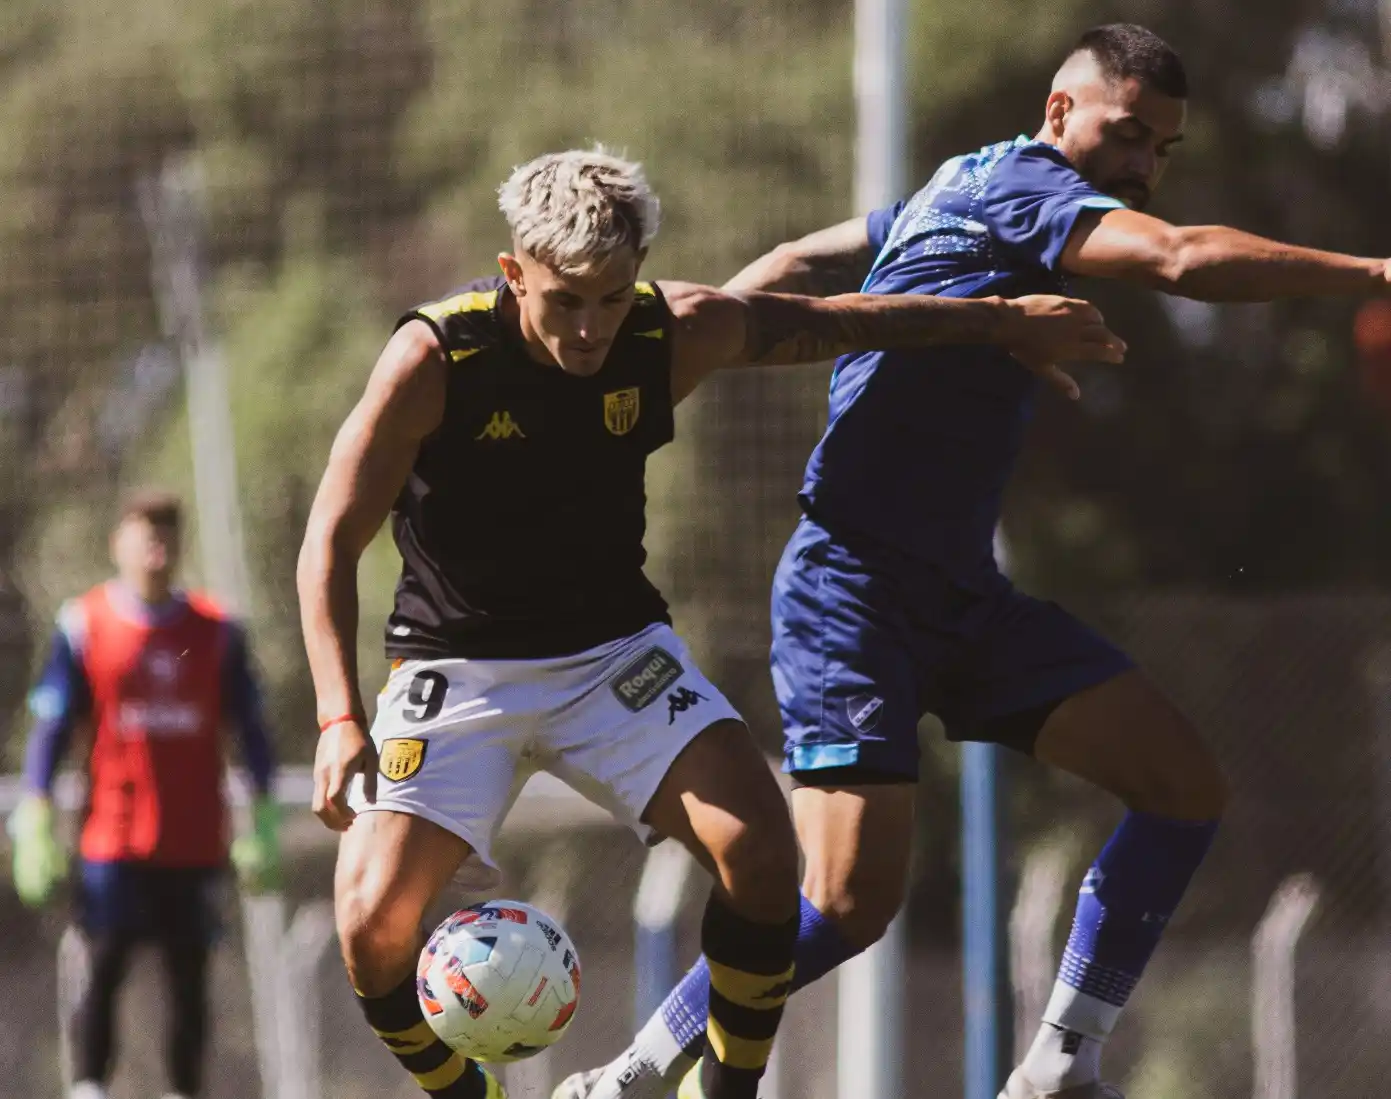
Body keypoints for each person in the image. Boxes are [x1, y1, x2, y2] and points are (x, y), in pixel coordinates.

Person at [560, 23, 1391, 1099]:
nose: (1143, 165)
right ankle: (633, 1071)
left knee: (1181, 785)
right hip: (851, 590)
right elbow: (1180, 259)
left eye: (1161, 149)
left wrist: (712, 318)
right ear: (1059, 113)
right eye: (1127, 134)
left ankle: (1058, 1063)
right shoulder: (1027, 187)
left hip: (959, 597)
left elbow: (810, 256)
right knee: (846, 904)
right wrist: (1372, 270)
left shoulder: (962, 180)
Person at [295, 146, 1124, 1099]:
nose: (590, 327)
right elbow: (329, 542)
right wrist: (337, 715)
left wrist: (1000, 321)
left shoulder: (670, 330)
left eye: (612, 298)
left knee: (763, 855)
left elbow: (830, 321)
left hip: (612, 660)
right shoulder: (435, 359)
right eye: (566, 300)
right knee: (371, 929)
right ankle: (468, 1095)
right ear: (513, 271)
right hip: (456, 671)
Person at [8, 489, 281, 1099]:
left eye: (168, 532)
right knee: (102, 966)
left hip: (194, 840)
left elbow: (252, 731)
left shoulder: (217, 630)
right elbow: (51, 727)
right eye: (145, 531)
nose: (157, 544)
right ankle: (88, 1087)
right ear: (118, 543)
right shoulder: (84, 625)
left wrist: (263, 819)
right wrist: (34, 811)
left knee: (190, 981)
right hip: (114, 839)